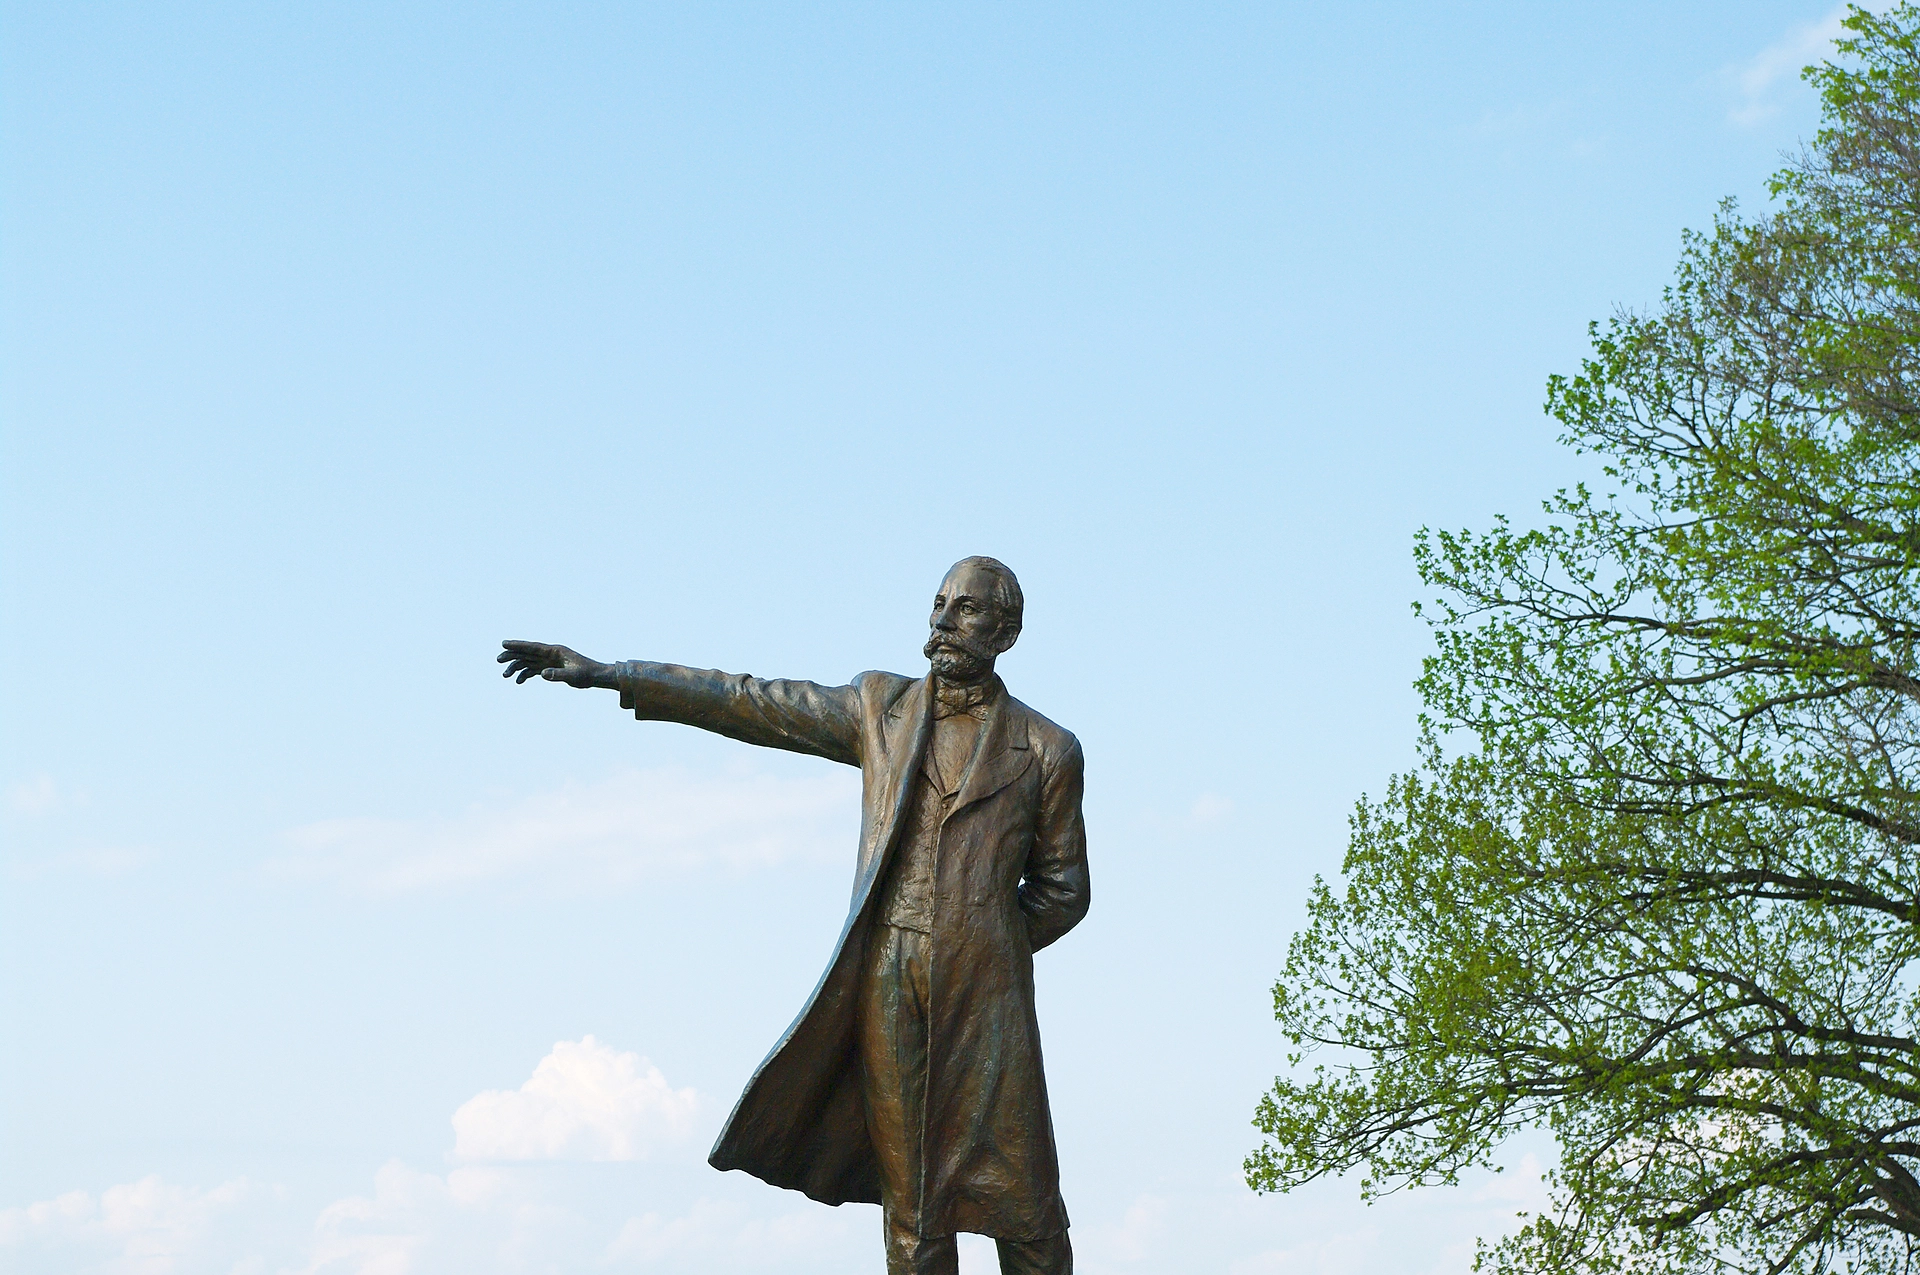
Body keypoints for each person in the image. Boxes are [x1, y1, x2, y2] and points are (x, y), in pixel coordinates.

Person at [499, 555, 1088, 1275]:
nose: (941, 620)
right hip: (888, 980)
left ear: (1006, 631)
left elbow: (1064, 889)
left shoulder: (1048, 749)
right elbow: (752, 701)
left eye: (964, 608)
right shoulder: (880, 707)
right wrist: (614, 674)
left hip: (988, 996)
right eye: (938, 603)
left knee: (1027, 1208)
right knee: (914, 1208)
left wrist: (983, 941)